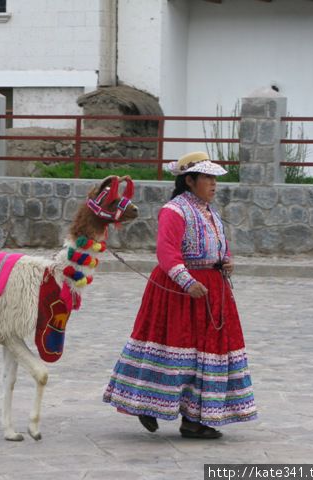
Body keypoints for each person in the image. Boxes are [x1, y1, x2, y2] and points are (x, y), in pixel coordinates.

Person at [103, 151, 257, 439]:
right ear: (190, 180)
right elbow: (167, 252)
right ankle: (148, 404)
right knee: (174, 348)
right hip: (178, 292)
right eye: (207, 178)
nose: (213, 184)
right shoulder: (174, 211)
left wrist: (226, 261)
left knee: (204, 354)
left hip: (211, 291)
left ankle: (193, 419)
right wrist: (186, 281)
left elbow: (218, 246)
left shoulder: (210, 212)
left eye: (214, 178)